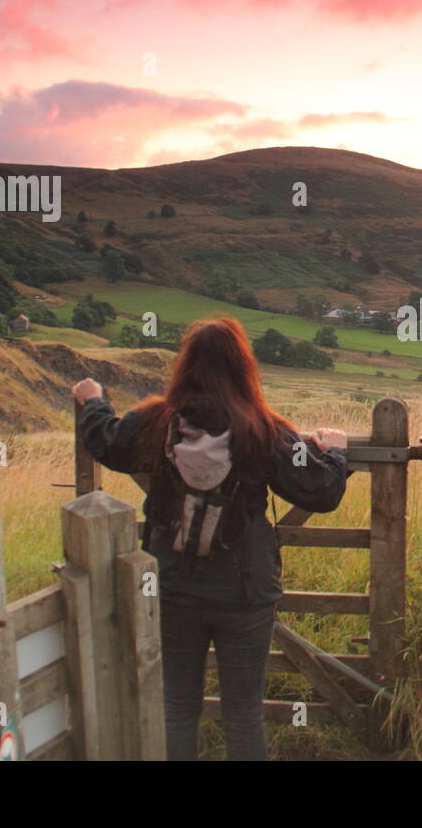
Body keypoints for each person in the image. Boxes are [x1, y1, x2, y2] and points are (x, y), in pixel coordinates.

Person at [71, 317, 349, 760]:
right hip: (245, 589)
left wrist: (94, 402)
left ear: (185, 365)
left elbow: (105, 442)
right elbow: (320, 491)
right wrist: (334, 451)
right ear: (243, 367)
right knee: (243, 714)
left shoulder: (157, 421)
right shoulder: (264, 428)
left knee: (177, 707)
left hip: (172, 585)